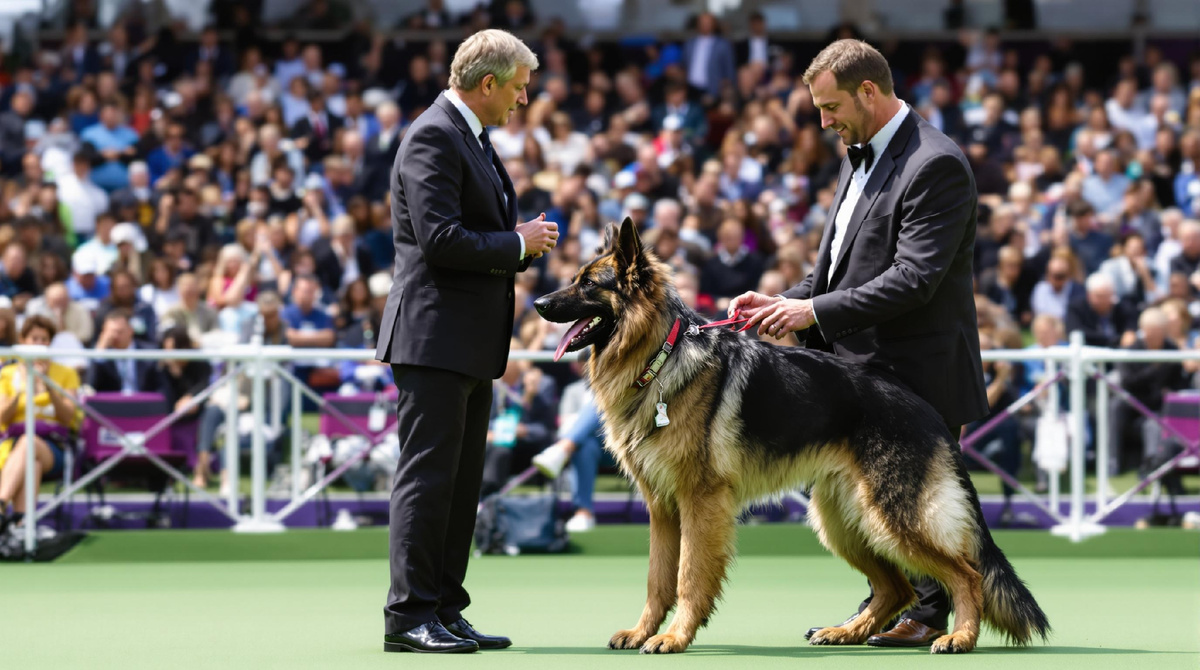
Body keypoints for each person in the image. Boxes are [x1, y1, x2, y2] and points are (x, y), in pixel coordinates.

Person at [731, 39, 988, 648]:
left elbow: (913, 278)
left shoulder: (936, 162)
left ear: (869, 91)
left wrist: (810, 311)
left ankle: (945, 615)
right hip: (856, 374)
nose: (823, 122)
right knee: (863, 516)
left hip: (918, 371)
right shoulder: (855, 152)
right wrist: (784, 302)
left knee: (909, 514)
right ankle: (899, 608)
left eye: (830, 107)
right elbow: (841, 268)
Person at [374, 29, 558, 654]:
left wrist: (513, 238)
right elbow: (440, 240)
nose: (523, 100)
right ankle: (410, 615)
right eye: (518, 88)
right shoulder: (434, 134)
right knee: (428, 480)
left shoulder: (465, 136)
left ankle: (445, 607)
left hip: (464, 342)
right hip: (432, 339)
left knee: (458, 484)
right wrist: (516, 244)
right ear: (487, 85)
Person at [0, 316, 81, 535]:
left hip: (54, 446)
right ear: (22, 340)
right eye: (34, 338)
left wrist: (48, 385)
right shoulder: (7, 373)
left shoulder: (66, 374)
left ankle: (1, 503)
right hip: (11, 445)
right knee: (31, 462)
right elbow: (2, 418)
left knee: (29, 443)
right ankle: (20, 527)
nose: (39, 344)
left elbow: (68, 417)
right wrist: (21, 387)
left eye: (45, 339)